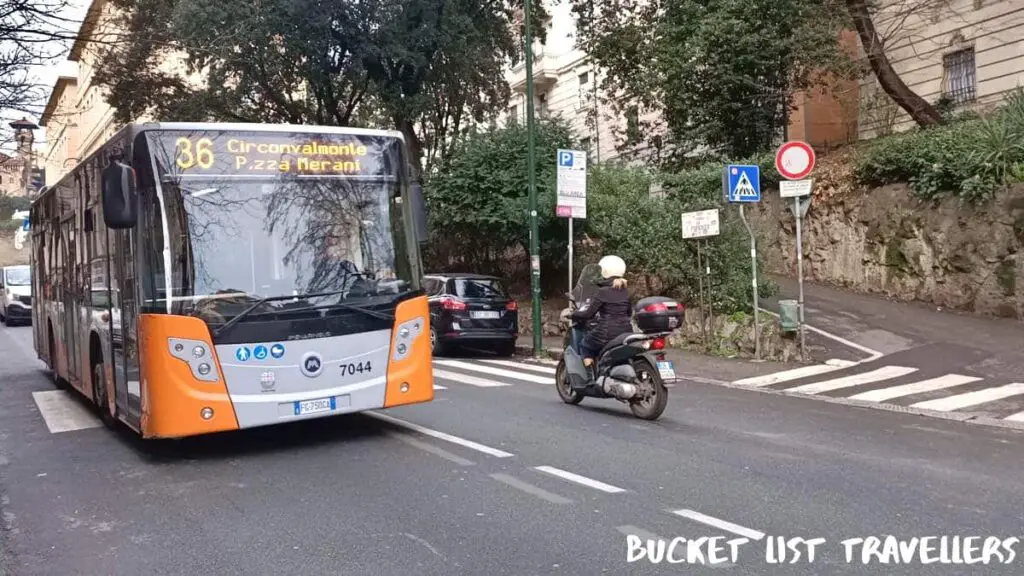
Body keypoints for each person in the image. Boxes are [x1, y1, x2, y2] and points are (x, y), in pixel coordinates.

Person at [570, 255, 633, 370]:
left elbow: (588, 314)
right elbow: (629, 313)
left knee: (585, 345)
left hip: (606, 333)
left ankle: (589, 378)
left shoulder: (603, 291)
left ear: (604, 271)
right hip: (626, 332)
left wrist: (573, 314)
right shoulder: (625, 291)